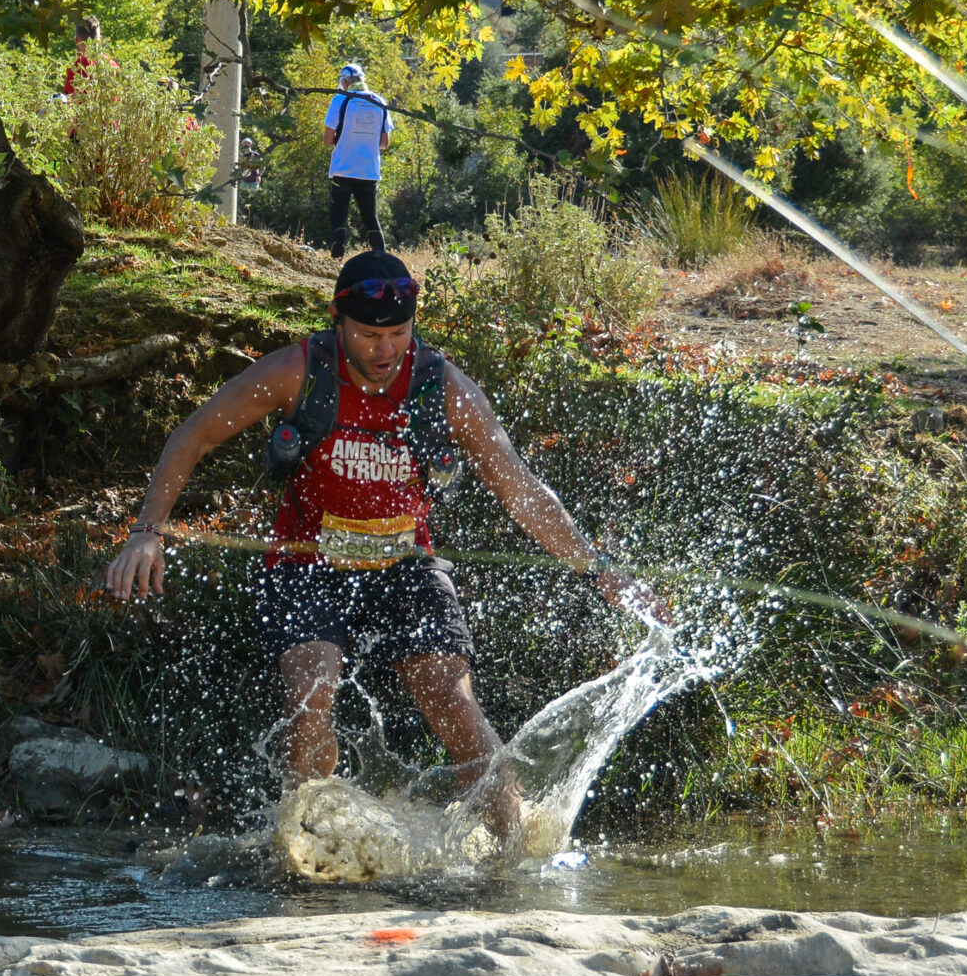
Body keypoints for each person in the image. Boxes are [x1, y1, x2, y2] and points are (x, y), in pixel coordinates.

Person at [103, 250, 653, 839]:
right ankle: (309, 847)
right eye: (368, 334)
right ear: (339, 323)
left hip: (406, 564)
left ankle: (516, 854)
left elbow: (520, 488)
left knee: (451, 698)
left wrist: (599, 567)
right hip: (306, 561)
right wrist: (146, 532)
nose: (385, 350)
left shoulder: (444, 389)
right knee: (312, 689)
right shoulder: (298, 370)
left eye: (397, 333)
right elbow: (194, 433)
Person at [322, 62, 391, 254]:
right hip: (369, 170)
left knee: (339, 216)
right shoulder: (379, 101)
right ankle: (381, 256)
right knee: (370, 217)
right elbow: (385, 143)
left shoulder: (339, 100)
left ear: (344, 82)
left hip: (343, 168)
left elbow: (328, 140)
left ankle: (337, 259)